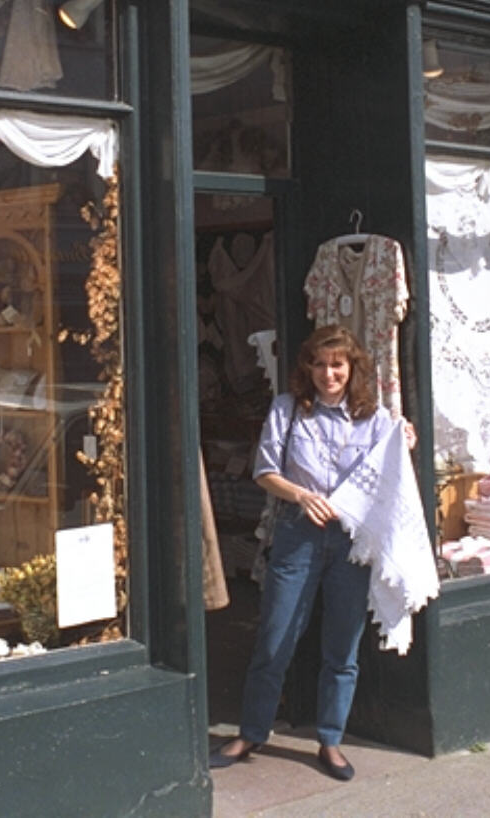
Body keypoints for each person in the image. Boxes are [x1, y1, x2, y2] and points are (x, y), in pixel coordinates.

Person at [209, 324, 405, 782]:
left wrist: (406, 439)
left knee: (342, 644)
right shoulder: (288, 410)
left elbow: (391, 468)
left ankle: (331, 739)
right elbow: (264, 471)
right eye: (319, 364)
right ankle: (252, 732)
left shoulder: (374, 418)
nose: (328, 373)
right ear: (308, 368)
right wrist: (300, 495)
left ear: (352, 367)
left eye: (337, 364)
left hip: (350, 540)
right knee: (274, 639)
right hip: (298, 535)